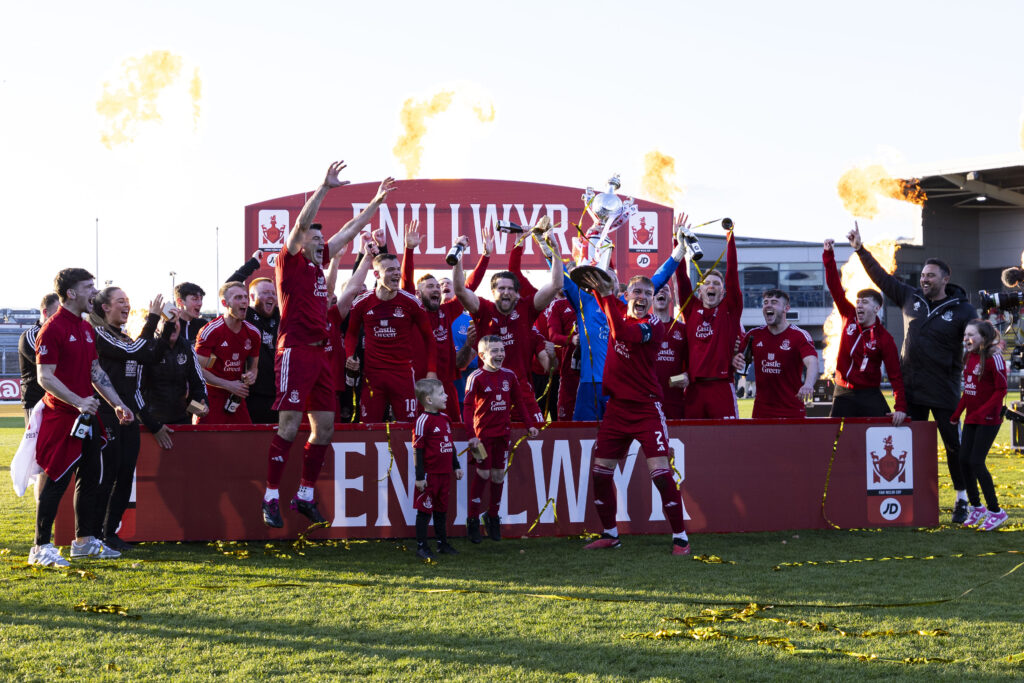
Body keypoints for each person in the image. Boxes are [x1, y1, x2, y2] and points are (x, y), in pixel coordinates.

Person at [262, 162, 396, 528]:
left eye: (325, 243)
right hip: (295, 350)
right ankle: (270, 496)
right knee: (289, 425)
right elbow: (303, 226)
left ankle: (304, 494)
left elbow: (351, 230)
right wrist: (323, 188)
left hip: (321, 354)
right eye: (317, 241)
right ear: (301, 243)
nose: (323, 245)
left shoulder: (317, 267)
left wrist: (375, 202)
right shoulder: (288, 263)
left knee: (325, 427)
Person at [848, 224, 974, 521]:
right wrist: (859, 249)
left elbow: (975, 339)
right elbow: (880, 277)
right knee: (911, 447)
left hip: (944, 389)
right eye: (922, 275)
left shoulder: (964, 310)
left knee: (954, 447)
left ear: (945, 278)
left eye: (930, 275)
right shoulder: (909, 297)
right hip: (913, 389)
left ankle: (962, 499)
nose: (924, 279)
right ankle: (913, 500)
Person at [576, 273, 690, 555]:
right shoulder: (615, 309)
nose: (641, 298)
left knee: (661, 475)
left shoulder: (654, 325)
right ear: (626, 294)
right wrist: (601, 285)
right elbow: (593, 287)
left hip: (646, 407)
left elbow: (621, 334)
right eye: (636, 292)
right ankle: (610, 534)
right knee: (601, 474)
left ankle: (681, 538)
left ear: (652, 299)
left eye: (647, 294)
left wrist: (605, 295)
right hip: (616, 408)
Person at [29, 268, 134, 566]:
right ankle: (40, 547)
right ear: (71, 293)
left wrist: (117, 403)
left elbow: (95, 373)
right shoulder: (53, 328)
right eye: (89, 287)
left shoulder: (86, 328)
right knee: (56, 480)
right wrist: (77, 401)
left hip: (87, 416)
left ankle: (84, 541)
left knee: (91, 479)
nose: (95, 292)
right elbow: (44, 377)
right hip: (61, 418)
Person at [562, 222, 690, 421]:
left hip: (619, 388)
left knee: (621, 443)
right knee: (585, 442)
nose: (608, 280)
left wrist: (679, 251)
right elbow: (562, 277)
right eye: (604, 276)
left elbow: (658, 278)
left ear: (621, 287)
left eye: (612, 277)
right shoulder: (585, 301)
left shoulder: (628, 303)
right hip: (590, 384)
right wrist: (548, 248)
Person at [90, 287, 176, 551]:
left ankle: (110, 532)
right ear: (105, 307)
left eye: (128, 302)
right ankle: (93, 534)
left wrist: (167, 324)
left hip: (127, 418)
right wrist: (152, 319)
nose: (126, 306)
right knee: (107, 477)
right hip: (105, 414)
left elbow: (147, 357)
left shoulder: (125, 337)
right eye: (120, 302)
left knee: (125, 475)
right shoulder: (100, 334)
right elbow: (136, 352)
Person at [452, 230, 564, 428]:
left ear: (517, 293)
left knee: (538, 440)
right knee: (491, 445)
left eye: (511, 289)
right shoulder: (483, 309)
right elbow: (460, 290)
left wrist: (555, 250)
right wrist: (458, 252)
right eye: (501, 288)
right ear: (493, 292)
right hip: (488, 392)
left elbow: (556, 285)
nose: (506, 292)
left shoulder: (527, 308)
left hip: (522, 391)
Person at [399, 220, 490, 420]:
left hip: (446, 384)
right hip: (421, 384)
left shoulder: (446, 311)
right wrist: (409, 249)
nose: (436, 290)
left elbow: (469, 287)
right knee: (420, 431)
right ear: (418, 292)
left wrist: (485, 256)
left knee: (453, 429)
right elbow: (405, 282)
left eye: (437, 287)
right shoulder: (413, 311)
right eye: (430, 286)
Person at [344, 251, 438, 422]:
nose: (396, 273)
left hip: (402, 375)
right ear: (376, 274)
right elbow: (350, 334)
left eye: (397, 269)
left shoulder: (411, 303)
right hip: (372, 376)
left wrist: (431, 371)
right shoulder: (361, 303)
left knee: (409, 427)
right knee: (369, 426)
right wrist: (350, 355)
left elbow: (429, 338)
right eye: (389, 270)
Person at [462, 336, 540, 542]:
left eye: (502, 350)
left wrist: (529, 424)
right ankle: (472, 520)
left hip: (503, 434)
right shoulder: (476, 377)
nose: (500, 355)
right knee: (483, 473)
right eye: (494, 351)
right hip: (481, 437)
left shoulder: (509, 376)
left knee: (497, 475)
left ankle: (493, 516)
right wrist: (471, 436)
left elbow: (519, 403)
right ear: (482, 355)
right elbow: (467, 409)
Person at [823, 239, 907, 424]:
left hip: (869, 393)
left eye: (865, 302)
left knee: (884, 429)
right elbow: (834, 287)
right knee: (832, 437)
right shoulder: (849, 314)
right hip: (843, 391)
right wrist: (828, 255)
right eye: (858, 301)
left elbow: (895, 375)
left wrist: (900, 407)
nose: (859, 305)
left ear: (877, 308)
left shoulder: (884, 338)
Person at [676, 214, 742, 419]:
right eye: (707, 283)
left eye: (716, 284)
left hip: (721, 387)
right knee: (693, 442)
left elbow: (732, 274)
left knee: (728, 442)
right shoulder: (691, 308)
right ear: (700, 291)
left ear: (723, 292)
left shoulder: (729, 310)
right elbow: (681, 278)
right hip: (694, 389)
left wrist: (730, 236)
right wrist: (677, 241)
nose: (711, 286)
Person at [951, 320, 1009, 531]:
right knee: (963, 460)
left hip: (988, 419)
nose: (966, 338)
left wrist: (983, 411)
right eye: (965, 334)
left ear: (983, 338)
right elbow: (969, 391)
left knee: (976, 461)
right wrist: (957, 413)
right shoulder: (970, 356)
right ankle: (976, 507)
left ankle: (996, 511)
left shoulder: (994, 357)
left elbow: (1001, 390)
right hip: (972, 418)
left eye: (971, 335)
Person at [732, 289, 818, 418]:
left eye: (774, 302)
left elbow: (812, 362)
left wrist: (808, 384)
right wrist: (734, 359)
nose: (768, 305)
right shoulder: (754, 335)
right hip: (762, 411)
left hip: (792, 410)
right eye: (765, 302)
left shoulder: (799, 335)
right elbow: (736, 359)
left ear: (786, 308)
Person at [194, 282, 261, 424]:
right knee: (204, 441)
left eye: (245, 297)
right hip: (208, 398)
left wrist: (251, 376)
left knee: (246, 440)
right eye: (238, 297)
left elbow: (254, 367)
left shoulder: (253, 333)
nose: (244, 301)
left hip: (236, 397)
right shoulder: (211, 331)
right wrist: (228, 384)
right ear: (225, 303)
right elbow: (197, 371)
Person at [412, 378, 464, 559]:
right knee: (424, 511)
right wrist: (420, 477)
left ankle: (442, 543)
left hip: (445, 474)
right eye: (441, 393)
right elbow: (417, 450)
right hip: (429, 475)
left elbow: (450, 444)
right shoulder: (422, 421)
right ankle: (421, 546)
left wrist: (456, 465)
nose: (446, 396)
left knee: (441, 510)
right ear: (428, 399)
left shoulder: (445, 419)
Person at [226, 251, 280, 423]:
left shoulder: (281, 315)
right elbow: (228, 288)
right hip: (251, 394)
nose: (271, 296)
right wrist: (252, 264)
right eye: (265, 293)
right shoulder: (246, 315)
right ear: (251, 298)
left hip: (279, 394)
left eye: (273, 293)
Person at [141, 308, 209, 426]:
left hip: (181, 419)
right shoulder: (148, 347)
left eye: (175, 320)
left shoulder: (187, 347)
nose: (173, 325)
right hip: (152, 422)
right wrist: (152, 425)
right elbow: (136, 391)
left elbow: (198, 383)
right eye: (167, 320)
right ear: (157, 326)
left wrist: (200, 405)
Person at [19, 293, 60, 427]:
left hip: (59, 399)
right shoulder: (30, 335)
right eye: (58, 311)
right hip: (37, 400)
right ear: (45, 312)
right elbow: (46, 363)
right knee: (34, 445)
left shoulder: (60, 334)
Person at [651, 284, 688, 419]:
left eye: (666, 289)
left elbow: (692, 365)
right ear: (651, 297)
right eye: (658, 288)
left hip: (675, 402)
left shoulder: (682, 329)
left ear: (671, 298)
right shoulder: (643, 326)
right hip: (649, 403)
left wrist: (685, 376)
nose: (661, 291)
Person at [544, 292, 580, 421]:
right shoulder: (558, 305)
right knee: (565, 420)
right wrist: (571, 339)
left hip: (596, 374)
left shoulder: (595, 301)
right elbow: (553, 336)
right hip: (569, 372)